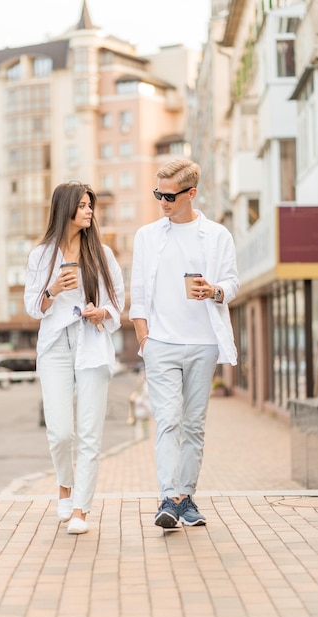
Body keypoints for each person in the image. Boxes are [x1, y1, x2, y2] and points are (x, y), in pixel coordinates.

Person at [129, 159, 239, 529]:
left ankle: (185, 498)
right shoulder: (146, 236)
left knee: (193, 424)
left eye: (170, 195)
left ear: (191, 193)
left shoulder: (218, 235)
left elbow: (233, 283)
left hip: (204, 343)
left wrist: (215, 290)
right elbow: (139, 294)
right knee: (167, 421)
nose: (162, 200)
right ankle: (168, 497)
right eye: (158, 193)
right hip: (161, 343)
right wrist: (145, 339)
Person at [24, 182, 124, 535]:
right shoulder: (41, 255)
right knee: (60, 433)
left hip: (91, 344)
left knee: (90, 435)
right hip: (55, 347)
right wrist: (53, 289)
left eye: (90, 205)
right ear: (64, 208)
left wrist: (102, 313)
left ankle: (81, 509)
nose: (89, 211)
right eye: (82, 205)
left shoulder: (103, 255)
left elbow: (118, 304)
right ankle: (64, 488)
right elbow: (32, 308)